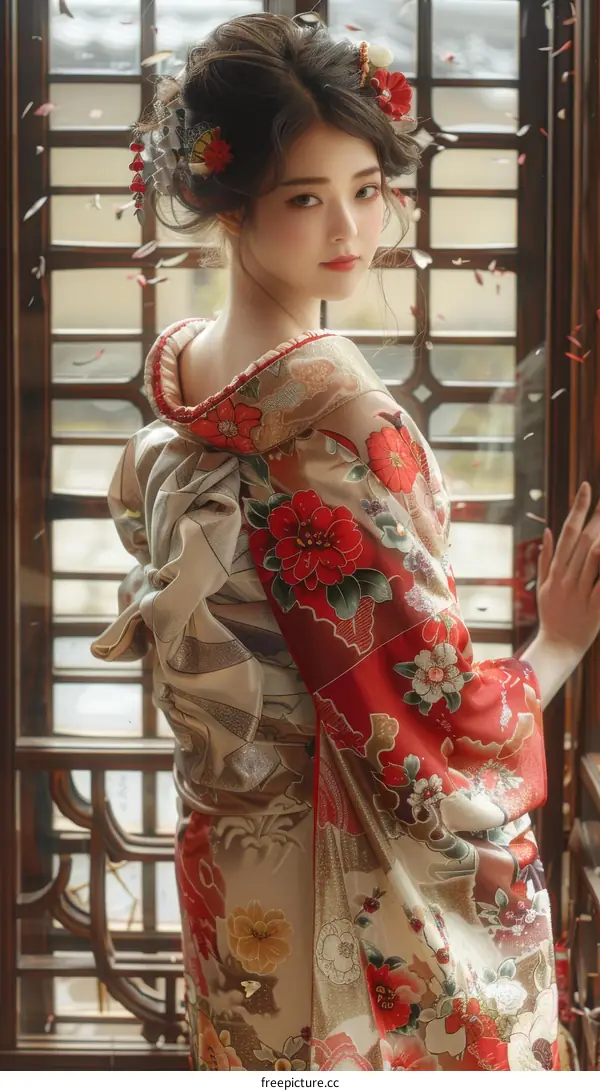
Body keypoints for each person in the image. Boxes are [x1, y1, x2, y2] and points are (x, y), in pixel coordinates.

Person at [92, 13, 600, 1072]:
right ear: (227, 207)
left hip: (225, 856)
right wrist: (555, 646)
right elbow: (432, 712)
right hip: (327, 875)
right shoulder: (342, 425)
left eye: (367, 189)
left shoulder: (184, 385)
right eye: (304, 199)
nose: (350, 230)